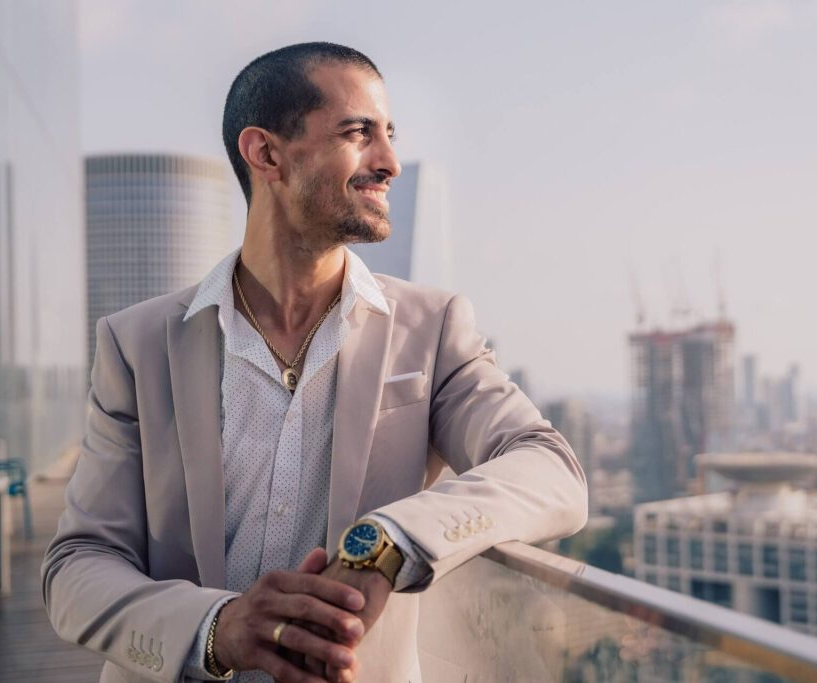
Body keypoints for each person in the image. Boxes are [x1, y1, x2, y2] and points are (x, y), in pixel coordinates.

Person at [42, 42, 587, 683]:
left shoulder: (433, 330)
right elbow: (78, 563)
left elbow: (549, 470)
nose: (389, 162)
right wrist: (216, 627)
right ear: (266, 153)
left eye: (389, 134)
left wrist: (387, 543)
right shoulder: (135, 344)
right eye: (358, 133)